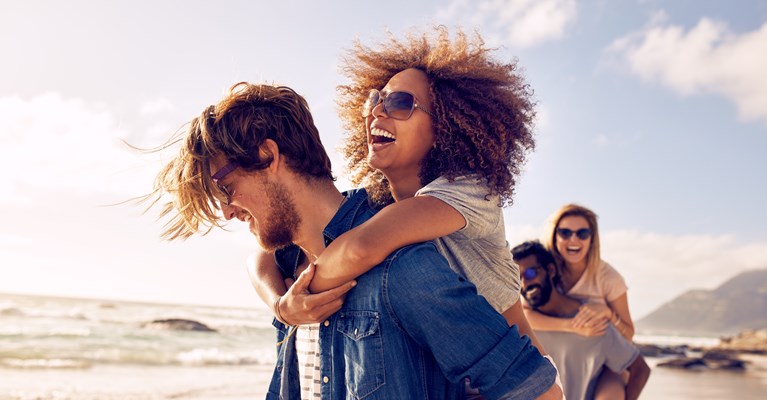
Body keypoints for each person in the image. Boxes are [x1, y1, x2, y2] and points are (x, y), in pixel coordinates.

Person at [148, 82, 560, 399]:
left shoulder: (401, 268)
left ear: (269, 157)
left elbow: (538, 392)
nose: (227, 211)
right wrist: (280, 306)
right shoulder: (291, 268)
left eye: (226, 188)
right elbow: (258, 262)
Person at [253, 26, 545, 355]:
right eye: (376, 100)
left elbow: (360, 247)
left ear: (443, 128)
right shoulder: (378, 203)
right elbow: (265, 257)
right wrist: (280, 305)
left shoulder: (472, 192)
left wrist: (301, 299)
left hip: (518, 382)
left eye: (400, 102)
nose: (377, 111)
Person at [523, 204, 636, 399]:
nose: (573, 239)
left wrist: (607, 313)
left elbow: (628, 334)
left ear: (592, 239)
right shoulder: (546, 270)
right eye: (565, 232)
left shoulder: (609, 278)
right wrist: (572, 326)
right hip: (566, 354)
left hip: (604, 364)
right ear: (555, 236)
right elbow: (526, 315)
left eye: (582, 233)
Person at [512, 240, 650, 400]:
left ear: (550, 270)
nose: (524, 283)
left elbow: (640, 369)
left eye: (530, 274)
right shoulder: (521, 326)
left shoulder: (592, 322)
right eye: (517, 277)